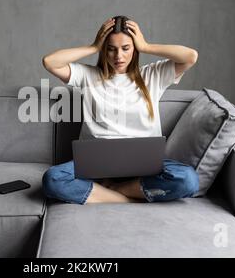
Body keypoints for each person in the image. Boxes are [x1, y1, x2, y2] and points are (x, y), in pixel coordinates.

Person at [41, 15, 200, 204]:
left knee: (188, 179)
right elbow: (50, 62)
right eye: (111, 49)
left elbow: (191, 56)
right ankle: (129, 199)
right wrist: (93, 46)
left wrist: (146, 46)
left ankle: (115, 191)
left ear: (135, 49)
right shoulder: (88, 76)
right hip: (96, 166)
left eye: (126, 48)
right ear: (103, 50)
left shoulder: (152, 75)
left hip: (143, 166)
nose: (119, 56)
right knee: (53, 179)